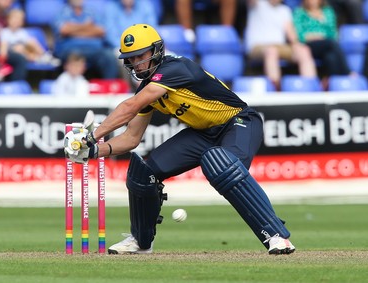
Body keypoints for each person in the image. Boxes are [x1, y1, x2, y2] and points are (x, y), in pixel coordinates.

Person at [64, 23, 296, 255]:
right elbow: (131, 138)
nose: (136, 63)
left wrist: (93, 136)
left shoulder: (175, 68)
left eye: (140, 56)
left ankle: (276, 236)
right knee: (144, 172)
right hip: (203, 133)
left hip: (239, 122)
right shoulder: (148, 89)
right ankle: (141, 241)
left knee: (221, 164)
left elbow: (130, 107)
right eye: (131, 58)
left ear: (156, 51)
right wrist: (93, 151)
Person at [245, 0, 317, 90]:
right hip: (257, 47)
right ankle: (276, 88)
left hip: (280, 47)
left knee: (304, 50)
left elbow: (290, 33)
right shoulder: (257, 4)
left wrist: (296, 44)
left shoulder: (285, 10)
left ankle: (310, 87)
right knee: (271, 51)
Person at [51, 0, 119, 79]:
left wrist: (73, 30)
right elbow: (64, 30)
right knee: (75, 56)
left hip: (95, 49)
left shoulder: (92, 12)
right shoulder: (61, 12)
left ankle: (108, 88)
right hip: (70, 48)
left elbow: (101, 31)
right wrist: (87, 26)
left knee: (109, 56)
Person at [293, 0, 353, 85]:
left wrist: (316, 35)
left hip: (327, 45)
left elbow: (333, 33)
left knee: (330, 56)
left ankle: (333, 83)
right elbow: (300, 35)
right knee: (331, 44)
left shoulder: (328, 11)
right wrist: (317, 36)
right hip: (309, 46)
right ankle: (347, 73)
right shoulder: (299, 12)